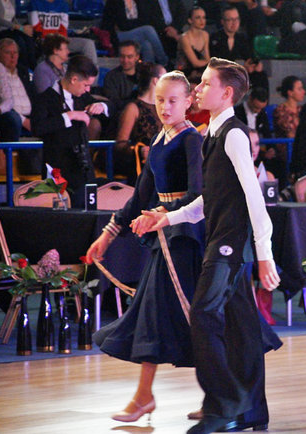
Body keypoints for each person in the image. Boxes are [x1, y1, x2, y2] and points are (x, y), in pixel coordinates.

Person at [135, 57, 281, 434]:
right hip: (221, 240)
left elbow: (254, 198)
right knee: (242, 329)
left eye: (204, 83)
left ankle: (222, 407)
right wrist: (167, 218)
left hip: (229, 246)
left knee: (202, 315)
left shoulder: (234, 134)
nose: (197, 89)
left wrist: (264, 256)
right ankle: (252, 411)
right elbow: (208, 200)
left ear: (226, 93)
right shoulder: (213, 134)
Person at [87, 71, 204, 423]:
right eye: (160, 100)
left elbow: (198, 193)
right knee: (155, 315)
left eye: (173, 100)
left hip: (185, 239)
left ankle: (209, 393)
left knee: (191, 318)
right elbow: (140, 196)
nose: (165, 107)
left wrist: (163, 213)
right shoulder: (158, 139)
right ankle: (146, 397)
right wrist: (108, 234)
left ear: (188, 102)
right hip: (162, 238)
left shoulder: (192, 140)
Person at [31, 55, 112, 208]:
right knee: (59, 214)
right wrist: (70, 115)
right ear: (74, 79)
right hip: (56, 169)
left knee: (88, 211)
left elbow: (114, 108)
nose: (88, 90)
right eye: (86, 85)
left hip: (83, 168)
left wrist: (101, 106)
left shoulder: (83, 97)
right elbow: (38, 127)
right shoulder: (45, 99)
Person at [114, 62, 165, 183]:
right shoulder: (133, 108)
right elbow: (120, 144)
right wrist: (139, 150)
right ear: (156, 81)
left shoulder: (165, 107)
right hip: (141, 169)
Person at [0, 38, 39, 174]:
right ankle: (8, 158)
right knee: (12, 118)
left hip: (31, 116)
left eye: (15, 53)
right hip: (8, 116)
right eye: (8, 53)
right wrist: (23, 120)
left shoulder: (25, 72)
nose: (13, 56)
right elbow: (4, 102)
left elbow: (35, 97)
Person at [28, 0, 98, 66]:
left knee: (88, 44)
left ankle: (91, 72)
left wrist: (61, 42)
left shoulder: (63, 4)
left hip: (60, 40)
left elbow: (63, 28)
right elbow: (35, 27)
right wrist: (53, 40)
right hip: (44, 41)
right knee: (53, 50)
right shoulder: (34, 3)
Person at [101, 0, 169, 66]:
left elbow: (144, 20)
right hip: (117, 36)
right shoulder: (114, 2)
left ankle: (147, 68)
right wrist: (136, 24)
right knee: (148, 30)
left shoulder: (138, 2)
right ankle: (164, 61)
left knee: (146, 43)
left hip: (136, 34)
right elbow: (122, 25)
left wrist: (134, 25)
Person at [103, 40, 142, 115]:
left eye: (129, 57)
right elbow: (114, 103)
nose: (125, 60)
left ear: (137, 57)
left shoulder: (144, 74)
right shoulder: (111, 77)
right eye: (122, 56)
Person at [0, 0, 36, 70]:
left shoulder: (12, 1)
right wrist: (17, 27)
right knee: (20, 42)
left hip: (11, 30)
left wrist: (22, 28)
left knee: (29, 37)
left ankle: (33, 66)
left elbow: (13, 19)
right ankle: (23, 68)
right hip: (0, 31)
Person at [178, 6, 210, 83]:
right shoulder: (184, 38)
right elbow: (195, 63)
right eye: (198, 17)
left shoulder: (205, 35)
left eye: (203, 17)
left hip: (200, 71)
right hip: (185, 73)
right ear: (190, 20)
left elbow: (207, 58)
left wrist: (208, 62)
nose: (202, 21)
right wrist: (208, 62)